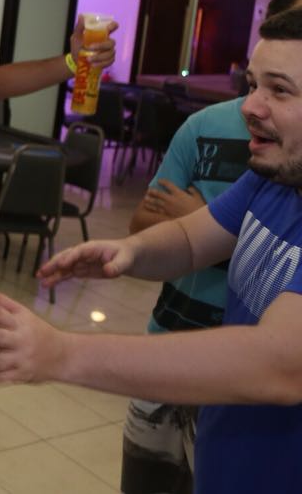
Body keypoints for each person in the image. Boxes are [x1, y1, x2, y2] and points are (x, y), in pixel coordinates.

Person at [0, 7, 302, 494]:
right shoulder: (274, 178)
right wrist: (129, 251)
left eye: (280, 90)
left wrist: (63, 353)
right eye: (253, 84)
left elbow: (277, 364)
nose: (250, 106)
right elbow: (189, 239)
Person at [120, 95, 250, 494]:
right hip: (168, 342)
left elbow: (278, 261)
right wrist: (202, 225)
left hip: (240, 372)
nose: (257, 103)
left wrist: (196, 220)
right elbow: (142, 222)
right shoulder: (204, 125)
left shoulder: (284, 160)